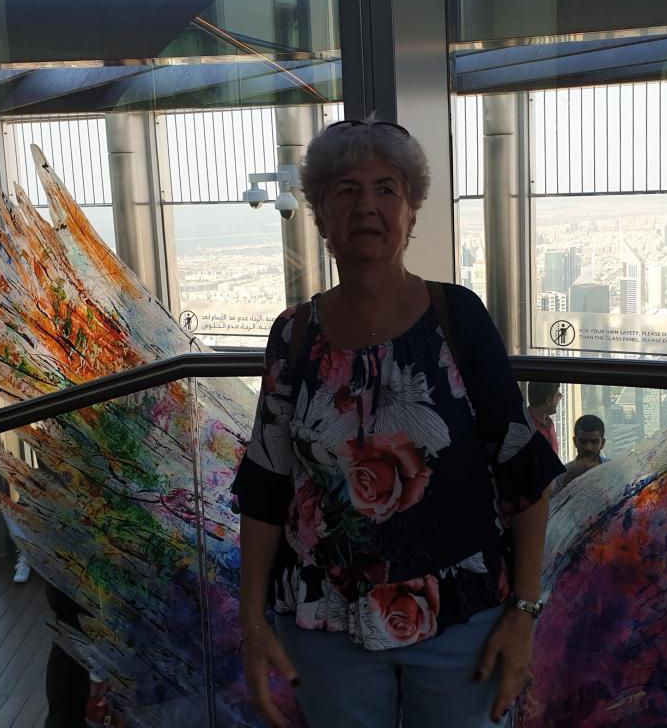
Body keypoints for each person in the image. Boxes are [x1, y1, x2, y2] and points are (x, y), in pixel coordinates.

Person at [232, 118, 564, 728]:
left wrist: (523, 613)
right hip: (324, 620)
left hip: (460, 615)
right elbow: (267, 483)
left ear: (411, 214)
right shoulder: (293, 333)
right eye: (346, 189)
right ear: (320, 216)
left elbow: (522, 467)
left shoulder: (457, 316)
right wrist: (252, 622)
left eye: (386, 189)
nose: (367, 205)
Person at [553, 414, 607, 493]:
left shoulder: (614, 472)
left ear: (602, 443)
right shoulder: (561, 477)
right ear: (575, 441)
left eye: (594, 442)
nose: (588, 447)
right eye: (583, 441)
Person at [525, 381, 561, 454]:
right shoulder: (524, 428)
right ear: (548, 400)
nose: (559, 398)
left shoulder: (548, 422)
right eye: (558, 395)